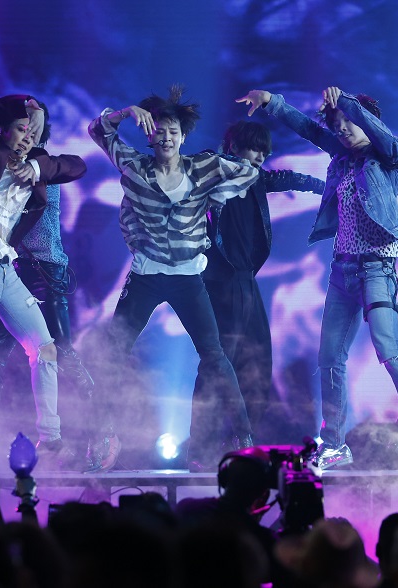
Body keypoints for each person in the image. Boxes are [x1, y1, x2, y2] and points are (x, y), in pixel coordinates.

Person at [237, 87, 398, 470]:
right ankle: (335, 445)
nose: (342, 130)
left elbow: (382, 136)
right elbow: (310, 129)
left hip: (377, 269)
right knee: (329, 359)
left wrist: (345, 103)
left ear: (366, 121)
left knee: (389, 350)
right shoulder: (341, 157)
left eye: (349, 123)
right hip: (342, 271)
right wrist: (272, 102)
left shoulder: (389, 156)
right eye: (338, 125)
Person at [87, 85, 259, 471]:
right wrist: (125, 112)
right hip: (146, 275)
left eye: (173, 132)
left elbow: (248, 173)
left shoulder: (203, 166)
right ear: (150, 136)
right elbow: (98, 130)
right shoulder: (134, 166)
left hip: (187, 276)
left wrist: (218, 195)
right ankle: (103, 435)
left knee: (214, 355)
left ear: (183, 137)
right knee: (113, 352)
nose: (166, 137)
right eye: (160, 131)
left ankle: (242, 436)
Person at [0, 103, 117, 472]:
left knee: (55, 351)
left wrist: (34, 162)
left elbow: (74, 165)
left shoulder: (39, 166)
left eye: (33, 129)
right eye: (22, 126)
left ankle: (91, 431)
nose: (27, 133)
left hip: (39, 270)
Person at [204, 120, 325, 438]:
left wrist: (325, 187)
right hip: (222, 281)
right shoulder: (213, 171)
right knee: (221, 360)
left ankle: (241, 436)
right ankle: (204, 441)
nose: (260, 157)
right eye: (254, 149)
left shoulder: (256, 180)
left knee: (257, 358)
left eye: (264, 152)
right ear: (233, 147)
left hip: (246, 281)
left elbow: (288, 178)